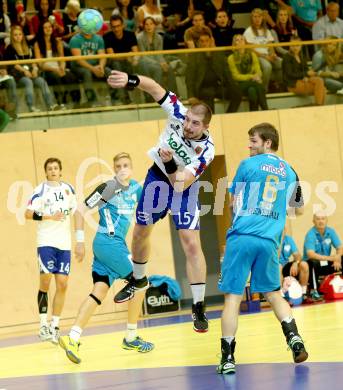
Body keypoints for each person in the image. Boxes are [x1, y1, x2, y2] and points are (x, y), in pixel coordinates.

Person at [107, 69, 215, 333]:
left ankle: (198, 306)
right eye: (188, 120)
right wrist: (131, 80)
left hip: (182, 186)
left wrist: (169, 161)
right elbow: (155, 87)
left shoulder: (206, 151)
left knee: (190, 242)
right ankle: (139, 280)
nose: (188, 127)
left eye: (195, 124)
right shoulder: (177, 112)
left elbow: (180, 183)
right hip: (157, 176)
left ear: (205, 127)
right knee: (140, 232)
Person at [217, 122, 308, 375]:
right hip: (269, 241)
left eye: (253, 141)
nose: (249, 145)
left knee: (233, 298)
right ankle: (295, 338)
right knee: (274, 294)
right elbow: (298, 210)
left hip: (242, 236)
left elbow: (233, 202)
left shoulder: (247, 165)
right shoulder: (290, 172)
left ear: (268, 142)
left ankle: (227, 359)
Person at [58, 153, 154, 364]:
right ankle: (130, 336)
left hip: (112, 248)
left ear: (131, 167)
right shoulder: (109, 188)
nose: (122, 169)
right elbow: (80, 210)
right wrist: (80, 241)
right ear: (114, 169)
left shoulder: (136, 189)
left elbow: (151, 203)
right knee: (142, 283)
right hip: (108, 244)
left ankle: (73, 337)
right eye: (118, 166)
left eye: (126, 165)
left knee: (98, 292)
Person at [25, 157, 85, 344]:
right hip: (46, 241)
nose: (53, 170)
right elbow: (27, 213)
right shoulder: (40, 190)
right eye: (49, 168)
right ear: (46, 172)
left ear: (60, 171)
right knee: (45, 279)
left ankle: (55, 325)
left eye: (56, 168)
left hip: (64, 244)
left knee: (63, 283)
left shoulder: (68, 189)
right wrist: (49, 216)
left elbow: (77, 212)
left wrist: (80, 241)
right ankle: (43, 325)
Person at [186, 31, 242, 113]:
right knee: (208, 94)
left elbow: (227, 74)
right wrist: (191, 96)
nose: (205, 43)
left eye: (207, 41)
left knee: (237, 92)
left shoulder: (218, 54)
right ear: (198, 43)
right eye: (202, 41)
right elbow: (189, 78)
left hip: (217, 86)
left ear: (210, 42)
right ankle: (212, 120)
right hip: (202, 88)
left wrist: (233, 86)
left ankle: (228, 115)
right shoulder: (193, 57)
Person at [5, 25, 56, 112]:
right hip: (19, 75)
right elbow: (14, 64)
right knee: (28, 82)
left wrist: (35, 69)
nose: (18, 37)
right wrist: (24, 71)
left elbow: (33, 60)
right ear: (12, 36)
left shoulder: (27, 46)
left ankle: (51, 105)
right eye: (15, 35)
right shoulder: (10, 48)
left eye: (20, 34)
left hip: (30, 72)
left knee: (42, 81)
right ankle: (31, 106)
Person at [303, 212, 343, 301]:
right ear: (313, 221)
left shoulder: (331, 231)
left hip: (326, 262)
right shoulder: (310, 234)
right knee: (312, 263)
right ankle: (314, 291)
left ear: (326, 220)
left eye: (323, 218)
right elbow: (310, 254)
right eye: (318, 219)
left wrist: (337, 258)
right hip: (313, 263)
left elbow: (340, 248)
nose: (321, 221)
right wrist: (332, 258)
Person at [243, 8, 283, 91]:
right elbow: (250, 49)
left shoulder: (267, 31)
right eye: (255, 17)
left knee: (281, 62)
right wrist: (265, 56)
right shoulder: (248, 31)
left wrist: (272, 54)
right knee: (267, 66)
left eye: (259, 17)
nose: (257, 19)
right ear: (252, 18)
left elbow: (270, 46)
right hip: (257, 56)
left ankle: (278, 84)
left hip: (267, 54)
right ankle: (264, 88)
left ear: (262, 18)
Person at [228, 34, 268, 112]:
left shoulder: (252, 55)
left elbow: (258, 70)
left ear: (245, 42)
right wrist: (252, 77)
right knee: (258, 85)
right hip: (239, 85)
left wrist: (258, 76)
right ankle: (266, 110)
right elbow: (235, 76)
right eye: (237, 40)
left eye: (242, 39)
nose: (240, 41)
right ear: (234, 43)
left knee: (252, 91)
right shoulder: (231, 58)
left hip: (252, 83)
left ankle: (254, 113)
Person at [282, 35, 326, 105]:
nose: (295, 47)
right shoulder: (286, 57)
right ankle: (319, 106)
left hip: (303, 80)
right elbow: (289, 74)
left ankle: (318, 106)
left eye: (297, 45)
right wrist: (305, 74)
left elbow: (306, 70)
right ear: (289, 46)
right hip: (293, 84)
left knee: (319, 80)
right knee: (322, 89)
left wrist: (306, 77)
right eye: (292, 45)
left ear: (301, 46)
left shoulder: (302, 55)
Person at [279, 229, 310, 303]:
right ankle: (281, 296)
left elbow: (297, 255)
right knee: (278, 266)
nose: (281, 231)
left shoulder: (288, 239)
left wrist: (296, 262)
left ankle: (303, 293)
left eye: (283, 229)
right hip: (274, 265)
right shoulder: (271, 240)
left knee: (304, 264)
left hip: (285, 265)